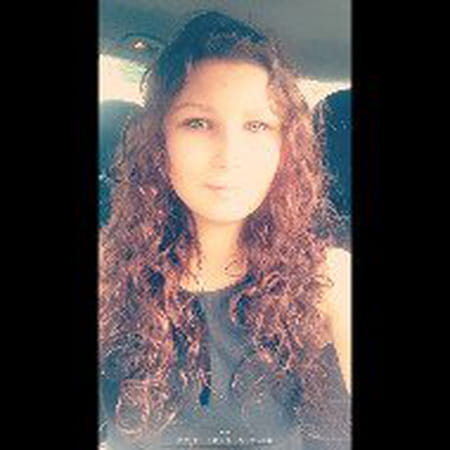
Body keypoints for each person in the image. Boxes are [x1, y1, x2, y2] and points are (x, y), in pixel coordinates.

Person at [99, 10, 351, 450]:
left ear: (284, 146)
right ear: (159, 141)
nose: (230, 155)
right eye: (198, 123)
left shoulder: (329, 279)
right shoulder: (107, 272)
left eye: (257, 125)